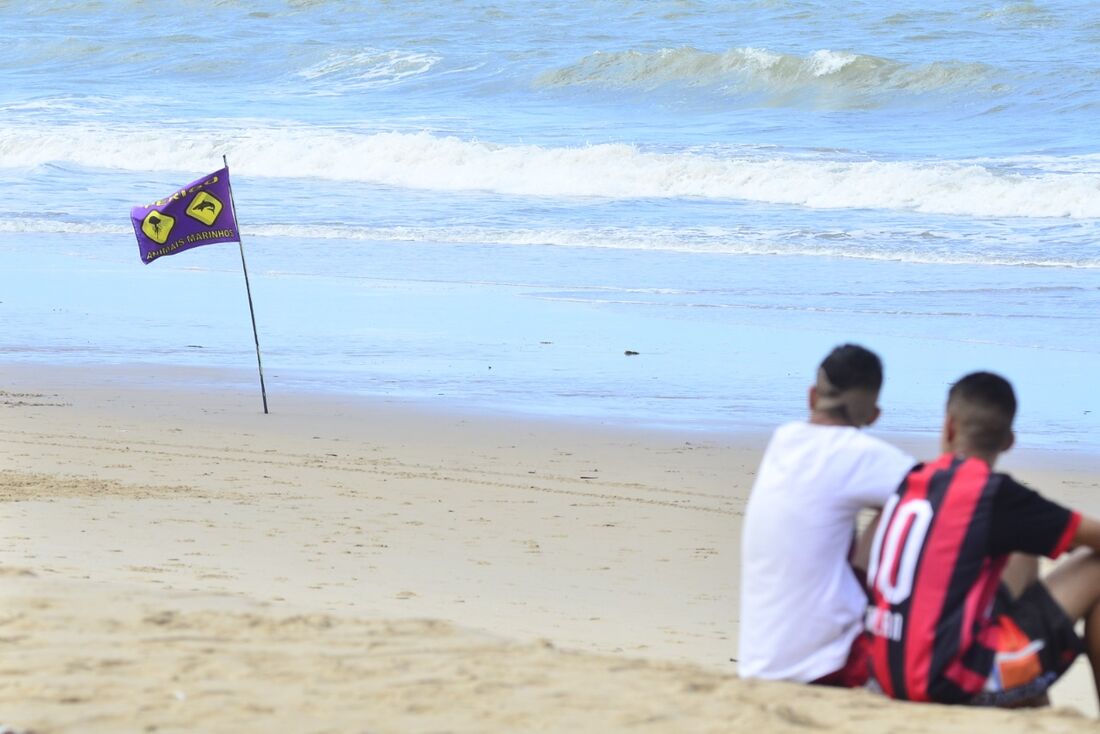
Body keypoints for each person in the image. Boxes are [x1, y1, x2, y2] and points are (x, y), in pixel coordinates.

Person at [865, 371, 1100, 706]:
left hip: (885, 668)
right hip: (944, 683)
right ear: (1008, 442)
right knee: (1096, 568)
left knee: (1022, 552)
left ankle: (1034, 706)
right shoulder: (995, 496)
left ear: (948, 426)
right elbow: (1093, 537)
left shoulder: (912, 481)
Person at [738, 344, 914, 686]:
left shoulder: (783, 440)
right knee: (913, 509)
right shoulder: (858, 453)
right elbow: (942, 496)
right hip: (827, 662)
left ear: (810, 396)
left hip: (757, 661)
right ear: (874, 415)